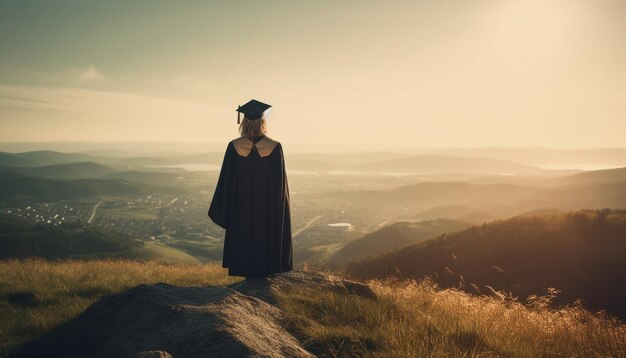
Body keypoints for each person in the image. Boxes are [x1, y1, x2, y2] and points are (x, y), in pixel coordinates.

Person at [208, 99, 293, 278]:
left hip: (241, 210)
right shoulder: (275, 147)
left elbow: (226, 183)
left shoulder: (234, 147)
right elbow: (280, 188)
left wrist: (226, 209)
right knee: (266, 243)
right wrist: (278, 214)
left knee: (244, 240)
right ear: (263, 121)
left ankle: (245, 270)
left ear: (244, 122)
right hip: (267, 212)